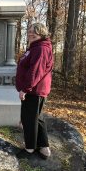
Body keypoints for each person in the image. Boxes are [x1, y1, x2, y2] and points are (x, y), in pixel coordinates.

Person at [15, 23, 53, 159]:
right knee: (38, 118)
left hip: (34, 91)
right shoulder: (35, 47)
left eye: (34, 32)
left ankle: (30, 149)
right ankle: (44, 147)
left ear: (41, 33)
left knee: (29, 119)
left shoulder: (41, 49)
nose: (31, 34)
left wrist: (25, 89)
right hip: (35, 90)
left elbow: (35, 72)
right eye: (29, 31)